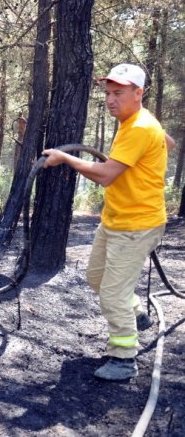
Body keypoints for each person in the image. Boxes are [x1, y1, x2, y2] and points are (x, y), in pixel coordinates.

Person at [42, 63, 176, 380]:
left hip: (137, 226)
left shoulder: (140, 127)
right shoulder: (136, 123)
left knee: (113, 294)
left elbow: (105, 176)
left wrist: (65, 158)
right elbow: (168, 143)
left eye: (118, 93)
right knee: (97, 278)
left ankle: (123, 359)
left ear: (138, 93)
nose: (110, 100)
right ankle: (135, 314)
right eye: (107, 93)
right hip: (116, 220)